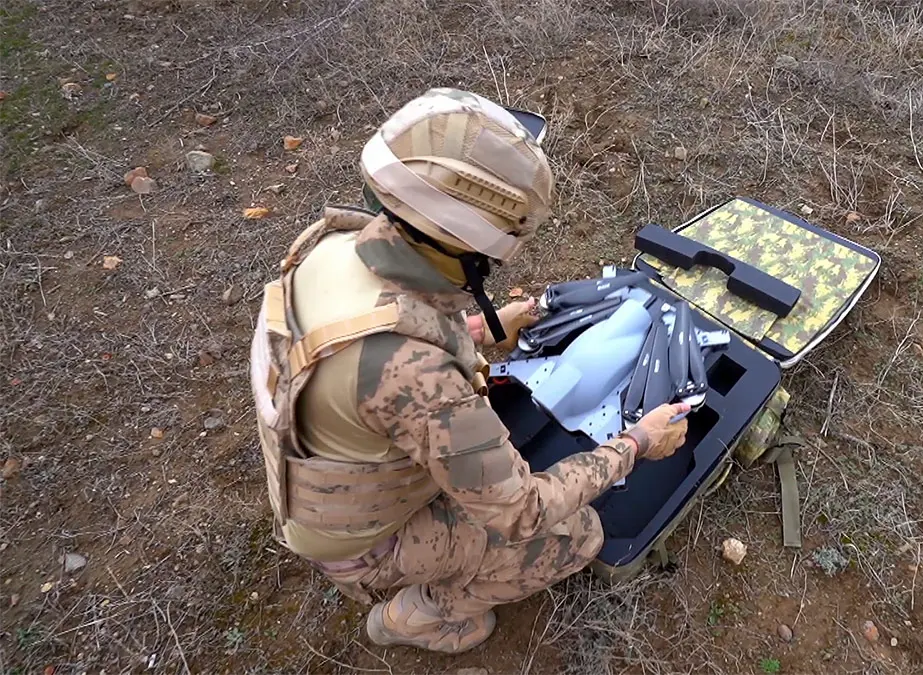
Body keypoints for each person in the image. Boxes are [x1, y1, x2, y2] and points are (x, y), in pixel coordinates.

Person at [249, 87, 690, 654]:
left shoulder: (333, 245)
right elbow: (521, 513)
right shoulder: (415, 373)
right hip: (359, 543)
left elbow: (376, 344)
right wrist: (637, 442)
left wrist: (483, 327)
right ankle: (424, 615)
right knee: (575, 536)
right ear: (474, 246)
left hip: (318, 487)